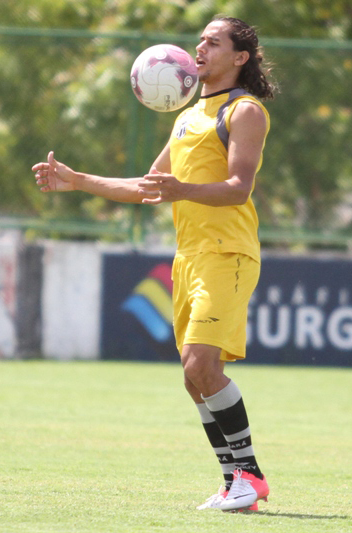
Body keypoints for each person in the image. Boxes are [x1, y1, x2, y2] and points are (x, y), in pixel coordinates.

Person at [32, 15, 277, 512]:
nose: (200, 47)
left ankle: (250, 474)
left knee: (201, 365)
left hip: (226, 255)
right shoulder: (187, 116)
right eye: (200, 40)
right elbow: (149, 186)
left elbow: (239, 188)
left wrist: (183, 190)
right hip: (188, 257)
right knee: (193, 378)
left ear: (240, 57)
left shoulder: (244, 110)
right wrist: (78, 180)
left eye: (214, 41)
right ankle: (235, 484)